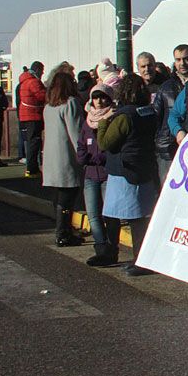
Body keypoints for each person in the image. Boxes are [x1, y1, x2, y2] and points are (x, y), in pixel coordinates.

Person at [97, 74, 160, 277]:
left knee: (123, 217)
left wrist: (103, 122)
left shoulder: (124, 116)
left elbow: (106, 143)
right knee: (139, 217)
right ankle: (139, 257)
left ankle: (123, 256)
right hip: (144, 168)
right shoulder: (148, 112)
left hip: (124, 170)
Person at [42, 71, 85, 247]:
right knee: (68, 196)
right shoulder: (71, 104)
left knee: (59, 197)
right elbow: (76, 133)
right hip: (66, 157)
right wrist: (83, 156)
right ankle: (64, 233)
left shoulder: (49, 107)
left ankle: (62, 230)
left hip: (51, 158)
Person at [78, 83, 113, 266]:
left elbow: (111, 146)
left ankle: (110, 247)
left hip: (107, 175)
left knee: (109, 214)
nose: (99, 101)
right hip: (90, 175)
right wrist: (82, 156)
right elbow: (81, 144)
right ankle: (100, 247)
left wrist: (99, 157)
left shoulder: (113, 117)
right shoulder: (87, 121)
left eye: (103, 97)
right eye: (96, 97)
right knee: (93, 214)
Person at [154, 45, 188, 183]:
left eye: (186, 59)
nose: (182, 63)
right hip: (169, 147)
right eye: (178, 59)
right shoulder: (166, 87)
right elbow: (157, 117)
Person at [17, 61, 47, 178]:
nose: (43, 72)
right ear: (38, 70)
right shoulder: (34, 82)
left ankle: (31, 168)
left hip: (26, 115)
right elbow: (42, 96)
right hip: (33, 115)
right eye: (42, 70)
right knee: (34, 141)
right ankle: (32, 168)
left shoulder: (24, 81)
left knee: (31, 141)